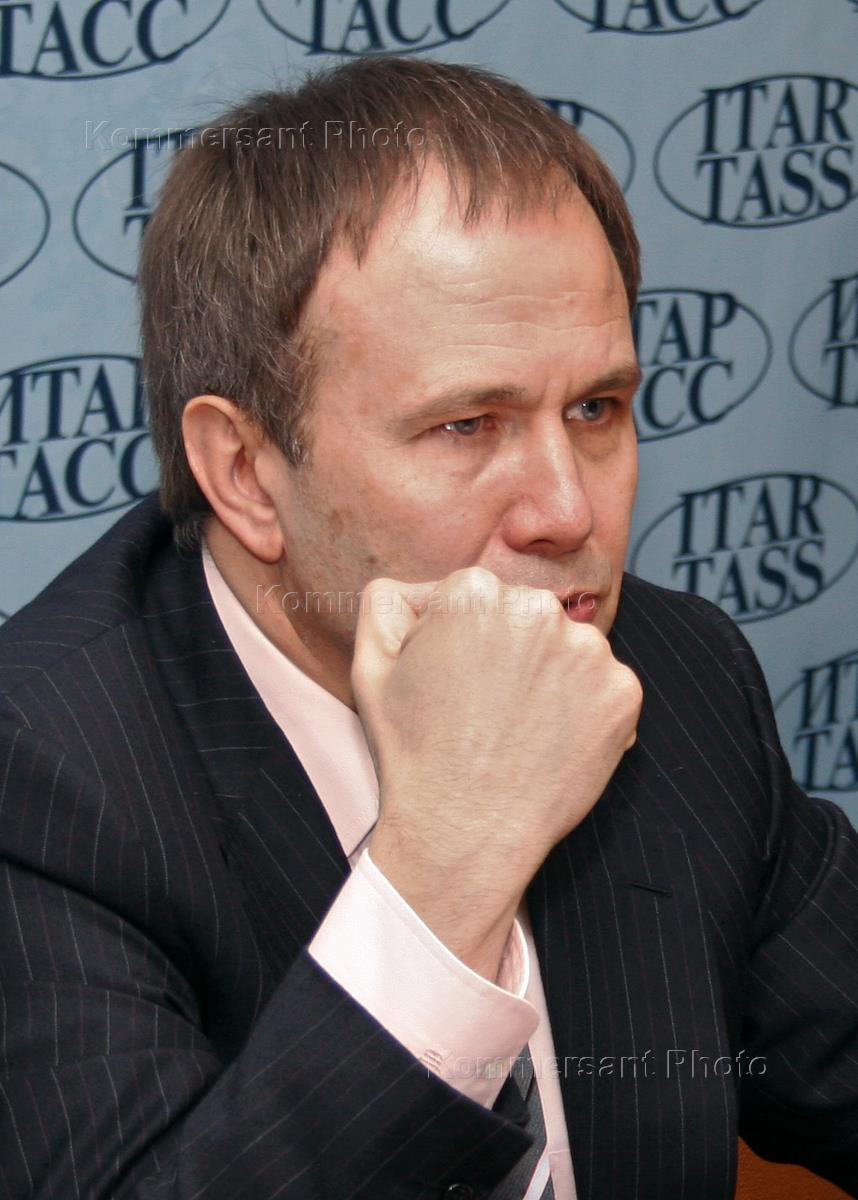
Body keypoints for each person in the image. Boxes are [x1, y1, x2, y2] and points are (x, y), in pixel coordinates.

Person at [0, 56, 856, 1200]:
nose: (569, 511)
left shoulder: (674, 671)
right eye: (468, 425)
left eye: (596, 408)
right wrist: (451, 863)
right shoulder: (42, 779)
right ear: (246, 473)